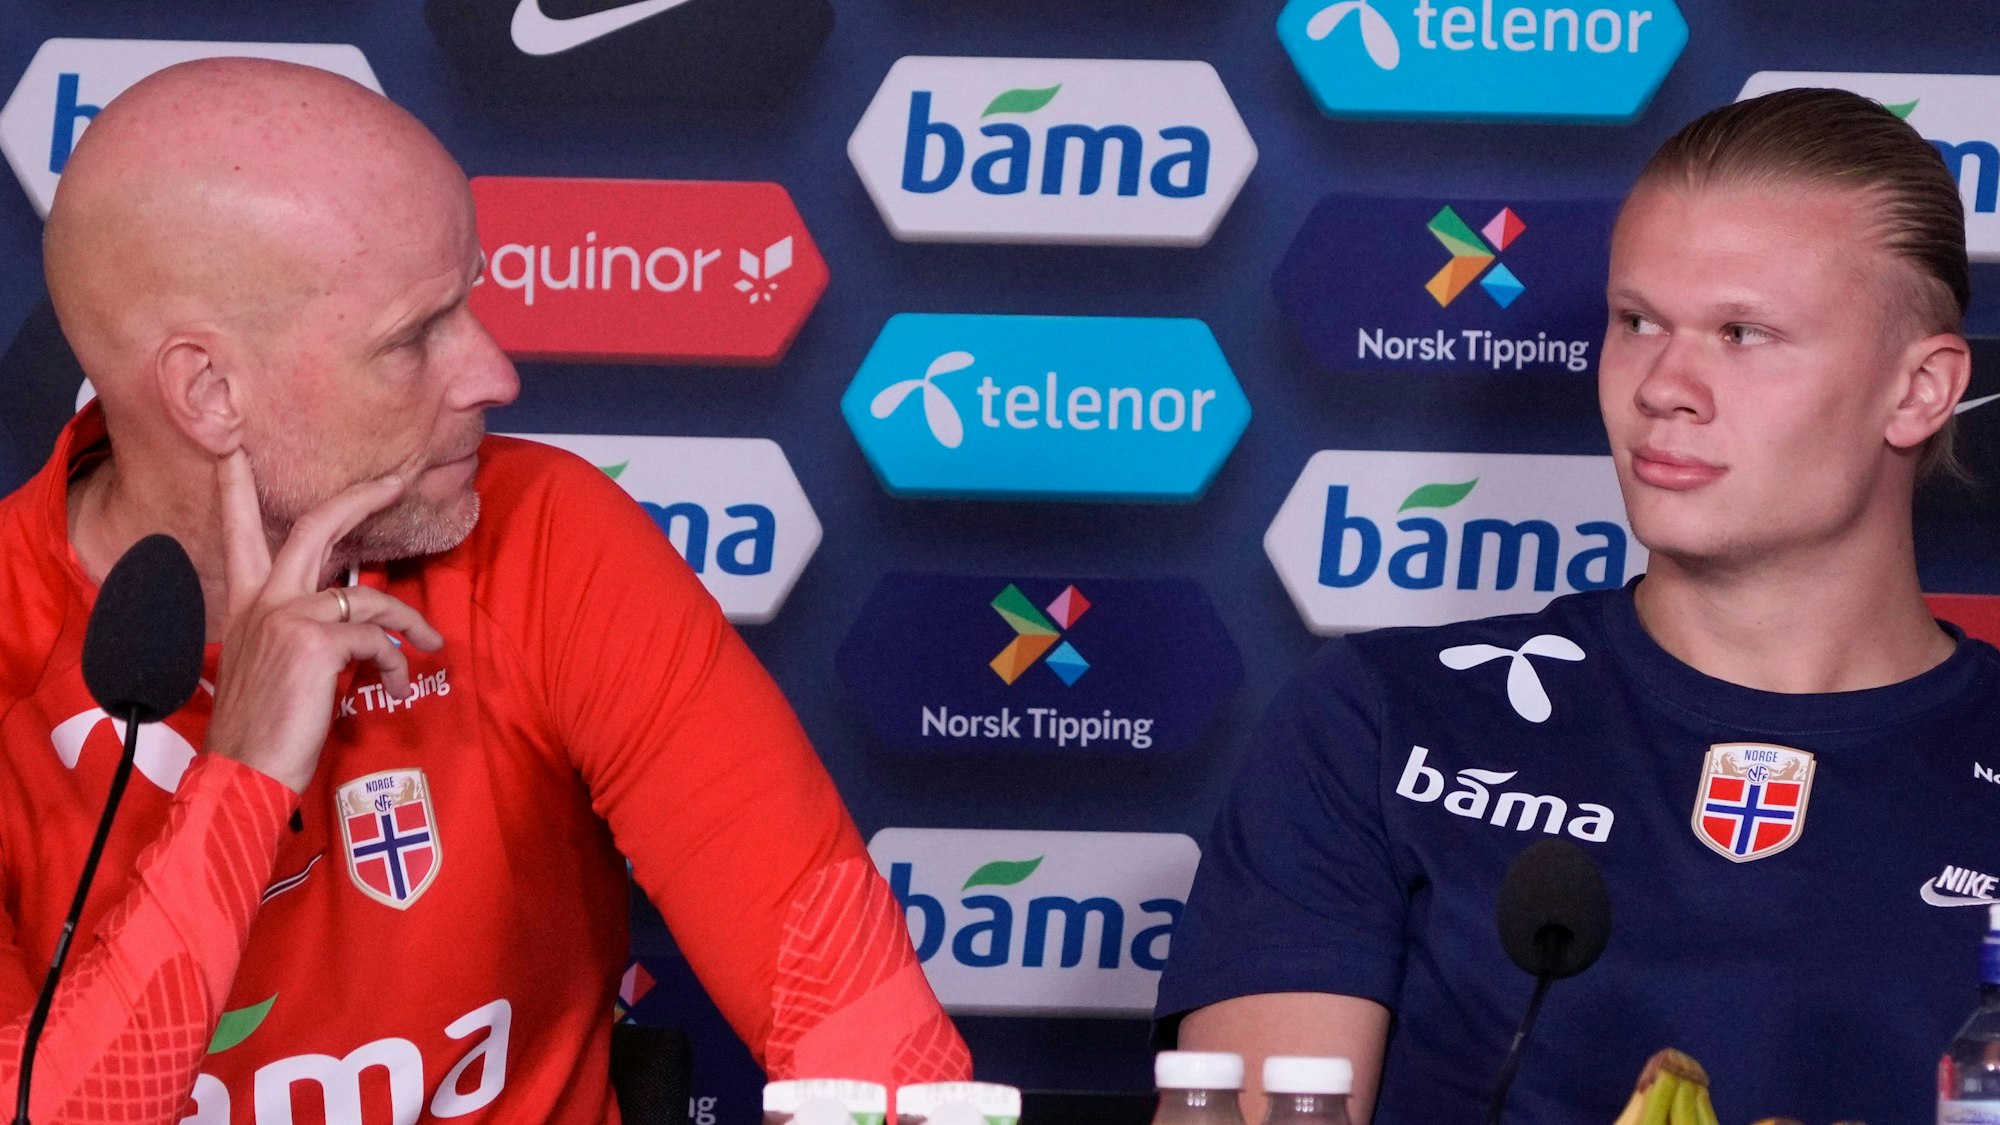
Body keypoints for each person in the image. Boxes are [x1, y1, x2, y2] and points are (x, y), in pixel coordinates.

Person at [0, 58, 969, 1122]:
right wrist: (243, 776)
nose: (495, 374)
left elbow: (875, 1050)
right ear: (209, 392)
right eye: (414, 339)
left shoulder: (548, 537)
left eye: (468, 303)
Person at [1156, 87, 1991, 1124]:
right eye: (1636, 321)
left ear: (1917, 391)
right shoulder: (1379, 723)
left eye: (1741, 334)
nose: (1661, 386)